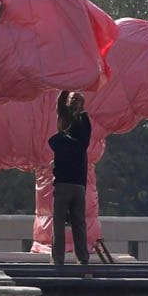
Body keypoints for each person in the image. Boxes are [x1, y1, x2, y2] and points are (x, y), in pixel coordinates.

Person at [48, 91, 91, 266]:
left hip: (66, 182)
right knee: (78, 222)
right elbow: (60, 103)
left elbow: (61, 105)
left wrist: (67, 83)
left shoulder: (61, 140)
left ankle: (59, 259)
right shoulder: (83, 129)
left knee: (59, 222)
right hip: (77, 183)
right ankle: (82, 258)